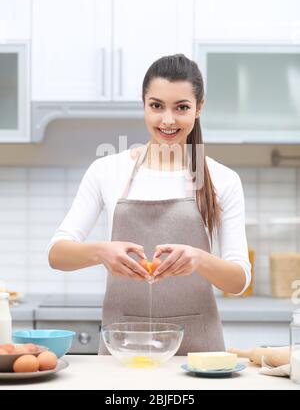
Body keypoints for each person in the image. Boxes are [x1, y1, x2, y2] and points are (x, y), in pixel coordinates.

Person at [47, 54, 251, 354]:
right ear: (143, 104)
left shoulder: (223, 179)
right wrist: (102, 251)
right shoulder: (106, 171)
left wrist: (199, 259)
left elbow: (239, 280)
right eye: (156, 106)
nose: (167, 120)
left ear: (199, 108)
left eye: (181, 107)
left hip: (198, 350)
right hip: (123, 344)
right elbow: (57, 253)